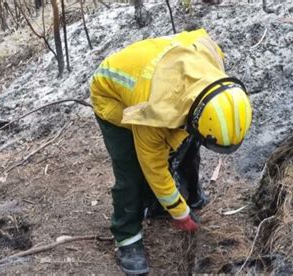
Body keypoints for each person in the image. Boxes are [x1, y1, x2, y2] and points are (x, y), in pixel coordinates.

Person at [90, 28, 252, 274]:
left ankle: (183, 196)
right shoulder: (152, 113)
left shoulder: (213, 71)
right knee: (132, 171)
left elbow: (192, 127)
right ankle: (127, 238)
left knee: (188, 142)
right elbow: (153, 167)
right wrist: (180, 213)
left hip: (163, 78)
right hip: (113, 96)